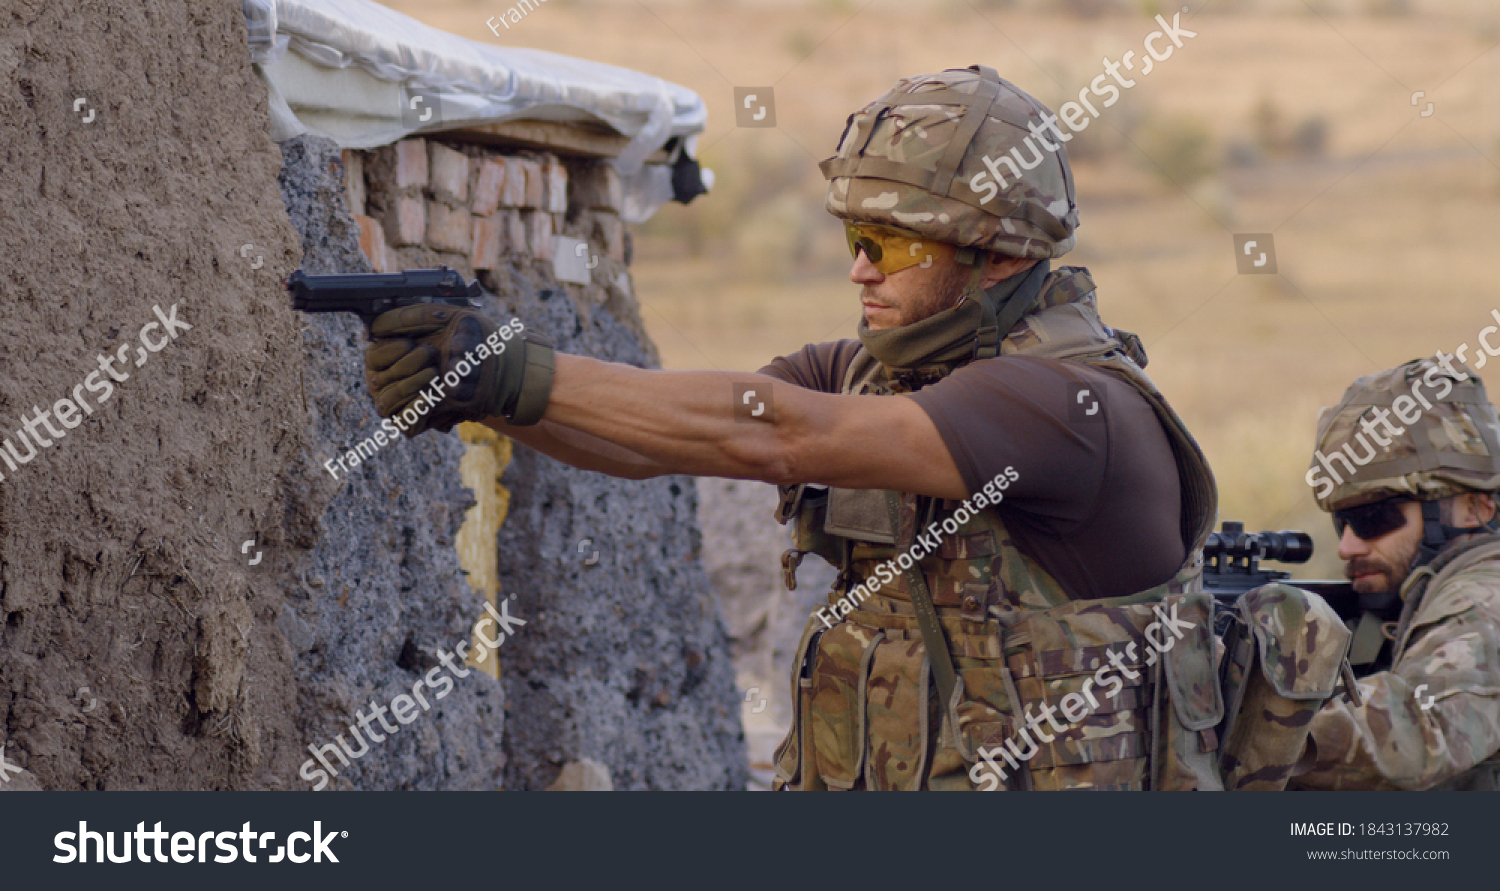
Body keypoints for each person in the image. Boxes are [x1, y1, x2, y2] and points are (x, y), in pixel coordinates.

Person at [361, 66, 1231, 790]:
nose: (857, 267)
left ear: (995, 251)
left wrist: (516, 368)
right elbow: (659, 438)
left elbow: (775, 434)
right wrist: (491, 396)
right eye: (854, 234)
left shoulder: (1063, 406)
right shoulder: (870, 373)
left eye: (887, 243)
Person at [1292, 357, 1500, 790]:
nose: (1347, 546)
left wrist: (1253, 727)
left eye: (1374, 517)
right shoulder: (1413, 596)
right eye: (1341, 522)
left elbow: (1414, 735)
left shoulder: (1482, 597)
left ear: (1473, 508)